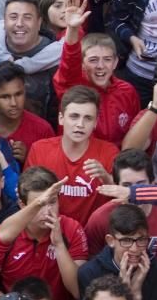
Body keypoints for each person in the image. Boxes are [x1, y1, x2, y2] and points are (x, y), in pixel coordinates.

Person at [0, 166, 88, 300]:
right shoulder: (7, 233)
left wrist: (59, 244)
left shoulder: (72, 229)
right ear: (22, 205)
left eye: (52, 202)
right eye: (40, 205)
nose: (47, 211)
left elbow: (78, 291)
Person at [83, 148, 157, 295]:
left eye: (141, 185)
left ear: (153, 183)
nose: (134, 192)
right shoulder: (100, 219)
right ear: (115, 185)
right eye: (127, 186)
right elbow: (91, 269)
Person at [26, 85, 119, 224]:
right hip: (47, 230)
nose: (80, 124)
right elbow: (27, 198)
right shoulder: (39, 150)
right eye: (74, 116)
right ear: (61, 118)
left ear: (95, 122)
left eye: (88, 118)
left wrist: (106, 177)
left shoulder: (109, 152)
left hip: (94, 236)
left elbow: (123, 199)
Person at [54, 0, 139, 145]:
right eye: (93, 60)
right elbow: (69, 63)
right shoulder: (74, 86)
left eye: (107, 60)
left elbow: (134, 135)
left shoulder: (128, 91)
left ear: (115, 63)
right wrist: (73, 29)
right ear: (82, 65)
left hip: (113, 162)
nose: (101, 66)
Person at [0, 0, 62, 119]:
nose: (19, 24)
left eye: (27, 18)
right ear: (4, 22)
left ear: (39, 23)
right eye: (13, 17)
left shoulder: (57, 57)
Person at [0, 60, 54, 166]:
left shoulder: (43, 130)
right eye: (5, 97)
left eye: (18, 94)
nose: (14, 103)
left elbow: (50, 173)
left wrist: (29, 158)